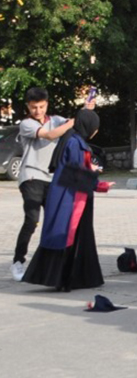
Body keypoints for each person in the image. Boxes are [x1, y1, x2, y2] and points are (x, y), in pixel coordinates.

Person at [21, 108, 104, 291]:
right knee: (70, 235)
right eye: (95, 128)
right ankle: (68, 279)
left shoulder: (73, 140)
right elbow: (76, 173)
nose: (95, 131)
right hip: (71, 197)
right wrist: (100, 184)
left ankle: (76, 278)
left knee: (74, 236)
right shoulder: (75, 143)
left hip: (70, 194)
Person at [12, 86, 76, 280]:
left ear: (46, 104)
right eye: (33, 107)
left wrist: (85, 112)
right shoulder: (26, 124)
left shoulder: (55, 120)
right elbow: (49, 135)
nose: (37, 111)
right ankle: (18, 262)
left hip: (52, 179)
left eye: (41, 106)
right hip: (31, 176)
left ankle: (53, 264)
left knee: (55, 221)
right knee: (32, 219)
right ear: (28, 107)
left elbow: (79, 127)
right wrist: (72, 122)